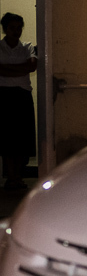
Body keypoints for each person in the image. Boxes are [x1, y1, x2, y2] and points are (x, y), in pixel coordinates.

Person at [0, 12, 37, 192]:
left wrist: (5, 69)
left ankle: (17, 177)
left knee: (23, 138)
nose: (16, 31)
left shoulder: (27, 47)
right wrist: (21, 69)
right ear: (5, 29)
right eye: (12, 28)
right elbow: (26, 67)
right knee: (7, 138)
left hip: (22, 96)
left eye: (19, 28)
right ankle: (12, 177)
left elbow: (32, 66)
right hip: (4, 96)